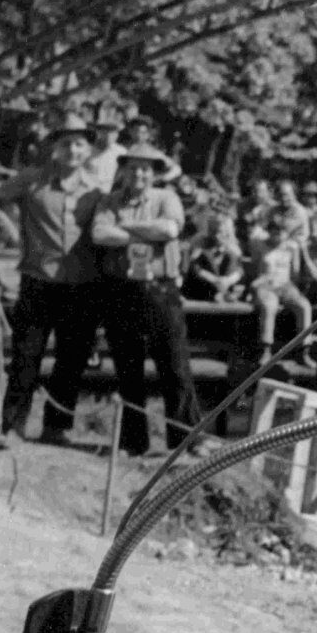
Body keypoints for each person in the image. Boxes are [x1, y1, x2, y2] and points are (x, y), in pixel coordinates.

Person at [0, 115, 102, 449]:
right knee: (26, 355)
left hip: (81, 285)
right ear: (53, 147)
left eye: (79, 143)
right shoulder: (32, 181)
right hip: (38, 280)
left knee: (71, 359)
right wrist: (9, 233)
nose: (72, 150)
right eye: (65, 143)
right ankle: (11, 426)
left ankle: (56, 428)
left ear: (88, 150)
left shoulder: (97, 190)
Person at [84, 142, 199, 456]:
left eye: (146, 168)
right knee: (128, 368)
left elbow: (170, 229)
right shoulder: (109, 201)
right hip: (120, 290)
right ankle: (134, 442)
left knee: (174, 366)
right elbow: (99, 235)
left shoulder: (166, 197)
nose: (139, 174)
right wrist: (143, 232)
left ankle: (186, 442)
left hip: (160, 289)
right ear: (124, 170)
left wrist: (125, 228)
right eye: (133, 167)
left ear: (155, 173)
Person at [247, 212, 312, 360]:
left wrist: (294, 290)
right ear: (269, 232)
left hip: (285, 285)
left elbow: (295, 274)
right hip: (266, 285)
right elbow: (254, 269)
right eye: (274, 232)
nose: (278, 236)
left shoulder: (291, 247)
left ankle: (304, 351)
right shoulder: (260, 245)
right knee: (270, 306)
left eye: (281, 233)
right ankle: (266, 349)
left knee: (304, 305)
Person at [183, 215, 247, 306]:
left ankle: (222, 293)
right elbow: (195, 268)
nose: (217, 236)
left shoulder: (232, 249)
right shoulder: (200, 244)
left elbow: (239, 271)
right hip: (202, 289)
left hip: (224, 287)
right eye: (214, 232)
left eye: (221, 232)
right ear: (209, 231)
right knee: (206, 256)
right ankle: (221, 293)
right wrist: (216, 280)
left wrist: (227, 281)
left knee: (231, 257)